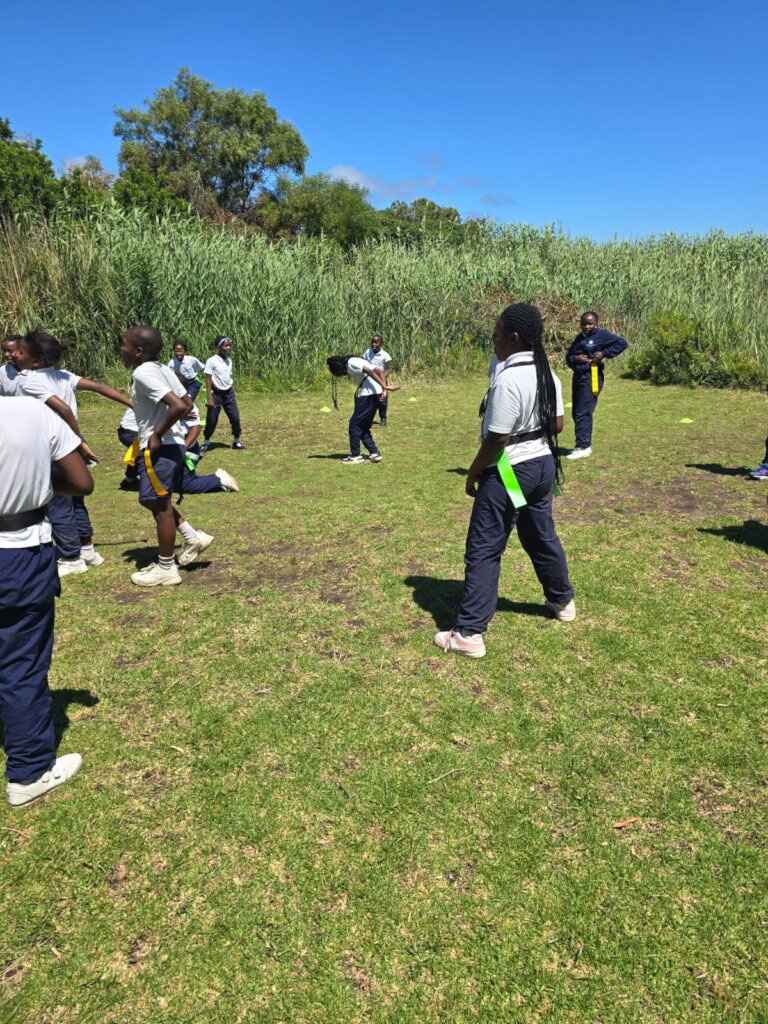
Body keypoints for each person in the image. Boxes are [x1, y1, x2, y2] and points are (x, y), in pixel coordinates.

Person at [434, 302, 575, 659]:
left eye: (495, 335)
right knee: (538, 533)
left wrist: (474, 471)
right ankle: (562, 601)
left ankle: (469, 633)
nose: (492, 342)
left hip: (512, 472)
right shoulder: (549, 374)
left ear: (513, 338)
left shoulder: (508, 378)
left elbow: (496, 439)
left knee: (485, 546)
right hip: (543, 465)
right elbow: (557, 425)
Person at [1, 396, 93, 807]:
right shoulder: (31, 412)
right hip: (17, 551)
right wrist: (35, 480)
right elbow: (81, 482)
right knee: (21, 660)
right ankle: (31, 770)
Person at [14, 329, 131, 576]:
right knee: (75, 498)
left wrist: (79, 441)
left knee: (57, 501)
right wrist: (132, 403)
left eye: (19, 351)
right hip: (70, 447)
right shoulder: (62, 375)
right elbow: (99, 387)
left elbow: (64, 410)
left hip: (51, 447)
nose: (14, 354)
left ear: (35, 361)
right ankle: (87, 548)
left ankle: (71, 558)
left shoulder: (28, 379)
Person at [120, 325, 214, 586]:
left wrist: (157, 434)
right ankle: (191, 535)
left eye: (124, 344)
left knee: (158, 506)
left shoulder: (143, 374)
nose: (121, 349)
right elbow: (186, 404)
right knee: (153, 500)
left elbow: (178, 405)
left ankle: (166, 568)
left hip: (159, 448)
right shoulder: (163, 369)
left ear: (138, 351)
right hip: (173, 446)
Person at [564, 311, 628, 460]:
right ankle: (582, 444)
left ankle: (583, 446)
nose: (586, 326)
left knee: (583, 411)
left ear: (596, 323)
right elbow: (569, 357)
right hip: (578, 376)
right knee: (576, 412)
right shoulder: (579, 338)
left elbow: (622, 343)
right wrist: (576, 358)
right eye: (584, 323)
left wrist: (604, 354)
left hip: (592, 376)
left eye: (590, 323)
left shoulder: (602, 335)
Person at [326, 355, 394, 464]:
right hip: (374, 394)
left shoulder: (351, 363)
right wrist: (383, 389)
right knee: (363, 426)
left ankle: (356, 456)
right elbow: (378, 370)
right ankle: (374, 453)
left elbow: (371, 371)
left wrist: (384, 387)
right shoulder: (354, 361)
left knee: (354, 425)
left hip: (368, 395)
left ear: (337, 366)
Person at [201, 336, 245, 452]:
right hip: (216, 394)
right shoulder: (211, 361)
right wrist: (210, 397)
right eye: (226, 345)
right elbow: (208, 379)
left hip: (229, 394)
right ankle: (206, 441)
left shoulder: (229, 361)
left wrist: (233, 392)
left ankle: (237, 441)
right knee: (212, 419)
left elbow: (228, 378)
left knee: (235, 418)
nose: (228, 347)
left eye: (229, 345)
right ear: (218, 347)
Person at [362, 334, 393, 425]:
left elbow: (388, 368)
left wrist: (383, 379)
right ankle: (367, 418)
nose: (374, 344)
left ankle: (383, 418)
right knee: (368, 400)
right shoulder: (367, 352)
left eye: (376, 342)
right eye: (372, 342)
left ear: (381, 344)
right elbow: (363, 362)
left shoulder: (385, 355)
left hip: (381, 380)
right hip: (369, 380)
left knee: (382, 400)